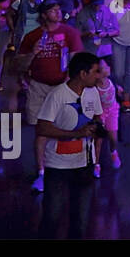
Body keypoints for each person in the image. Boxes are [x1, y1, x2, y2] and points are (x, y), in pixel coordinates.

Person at [36, 52, 104, 239]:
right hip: (58, 166)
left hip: (84, 164)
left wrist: (98, 129)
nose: (99, 75)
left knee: (80, 220)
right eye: (95, 71)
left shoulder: (93, 93)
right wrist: (76, 134)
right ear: (83, 74)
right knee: (52, 216)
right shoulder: (57, 95)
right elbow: (42, 127)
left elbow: (98, 118)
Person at [20, 0, 86, 193]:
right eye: (53, 10)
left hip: (62, 87)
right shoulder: (32, 36)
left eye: (59, 9)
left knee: (67, 128)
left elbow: (77, 60)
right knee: (41, 130)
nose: (58, 12)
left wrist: (70, 83)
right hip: (38, 86)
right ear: (43, 14)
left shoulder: (69, 33)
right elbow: (18, 65)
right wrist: (32, 55)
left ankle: (68, 168)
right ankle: (41, 172)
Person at [91, 55, 121, 177]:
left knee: (113, 137)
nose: (108, 67)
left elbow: (115, 88)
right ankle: (96, 164)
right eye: (105, 67)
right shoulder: (94, 87)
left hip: (112, 110)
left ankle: (113, 151)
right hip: (100, 114)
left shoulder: (111, 79)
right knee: (98, 140)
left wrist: (118, 88)